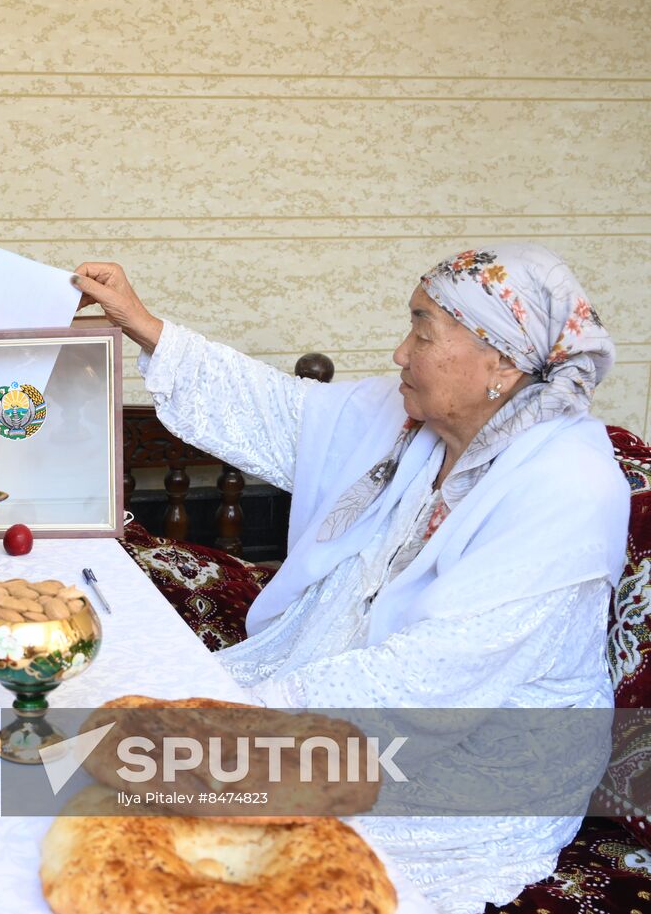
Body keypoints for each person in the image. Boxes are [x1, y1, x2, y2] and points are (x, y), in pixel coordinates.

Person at [72, 245, 629, 913]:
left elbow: (430, 679)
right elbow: (287, 414)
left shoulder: (568, 487)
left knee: (211, 839)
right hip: (343, 686)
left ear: (502, 363)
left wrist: (231, 729)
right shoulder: (420, 422)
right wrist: (146, 324)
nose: (400, 351)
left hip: (471, 760)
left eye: (422, 332)